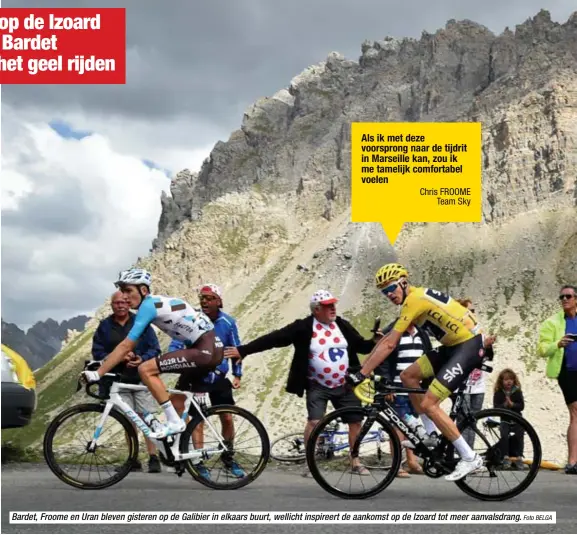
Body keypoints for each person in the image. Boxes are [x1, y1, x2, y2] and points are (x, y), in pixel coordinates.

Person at [347, 263, 496, 481]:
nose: (389, 295)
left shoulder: (414, 300)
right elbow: (387, 340)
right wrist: (363, 368)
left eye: (391, 289)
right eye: (384, 292)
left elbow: (390, 345)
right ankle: (428, 435)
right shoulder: (413, 299)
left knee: (428, 403)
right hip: (454, 346)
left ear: (404, 283)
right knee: (409, 376)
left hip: (468, 346)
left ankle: (469, 456)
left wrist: (361, 374)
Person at [224, 290, 380, 476]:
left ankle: (355, 461)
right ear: (316, 310)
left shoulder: (342, 325)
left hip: (345, 384)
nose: (333, 309)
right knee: (314, 422)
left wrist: (375, 342)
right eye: (328, 306)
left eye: (333, 305)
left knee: (355, 421)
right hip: (317, 385)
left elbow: (361, 346)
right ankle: (310, 462)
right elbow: (275, 338)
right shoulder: (303, 327)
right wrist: (244, 350)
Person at [81, 268, 223, 438]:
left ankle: (174, 422)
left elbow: (126, 345)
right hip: (210, 348)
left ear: (143, 290)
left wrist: (98, 373)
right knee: (177, 401)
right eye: (122, 291)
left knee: (145, 369)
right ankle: (184, 456)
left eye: (128, 290)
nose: (124, 297)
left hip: (203, 350)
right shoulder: (158, 302)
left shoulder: (148, 306)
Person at [168, 283, 244, 479]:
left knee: (227, 416)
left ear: (219, 302)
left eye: (209, 298)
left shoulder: (228, 322)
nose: (204, 301)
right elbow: (174, 345)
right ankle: (198, 461)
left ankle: (228, 455)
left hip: (219, 377)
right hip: (196, 376)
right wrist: (179, 359)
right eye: (202, 297)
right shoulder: (190, 319)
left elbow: (236, 349)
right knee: (197, 420)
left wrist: (237, 374)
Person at [91, 290, 162, 473]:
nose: (121, 305)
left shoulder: (141, 322)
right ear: (112, 305)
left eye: (124, 302)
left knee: (147, 417)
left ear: (129, 304)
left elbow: (155, 349)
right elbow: (97, 352)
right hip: (118, 380)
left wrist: (140, 358)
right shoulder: (104, 326)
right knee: (129, 420)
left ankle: (154, 458)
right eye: (117, 303)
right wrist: (115, 358)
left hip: (141, 378)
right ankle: (133, 459)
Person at [379, 319, 432, 477]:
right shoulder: (394, 333)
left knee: (413, 425)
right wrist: (387, 384)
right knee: (398, 426)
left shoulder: (422, 334)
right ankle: (396, 463)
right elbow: (384, 360)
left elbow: (428, 358)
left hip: (415, 388)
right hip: (397, 388)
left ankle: (412, 461)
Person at [537, 284, 577, 475]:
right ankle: (572, 461)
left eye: (568, 296)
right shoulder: (552, 323)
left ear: (576, 298)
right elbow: (542, 349)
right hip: (567, 372)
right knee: (576, 412)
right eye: (561, 297)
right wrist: (558, 343)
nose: (564, 300)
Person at [493, 368, 526, 470]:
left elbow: (521, 406)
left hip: (517, 418)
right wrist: (504, 405)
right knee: (504, 436)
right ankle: (505, 457)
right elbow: (496, 408)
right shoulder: (498, 393)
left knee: (520, 435)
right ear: (501, 381)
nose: (509, 381)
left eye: (511, 379)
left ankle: (519, 457)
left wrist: (512, 405)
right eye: (506, 379)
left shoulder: (517, 391)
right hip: (505, 419)